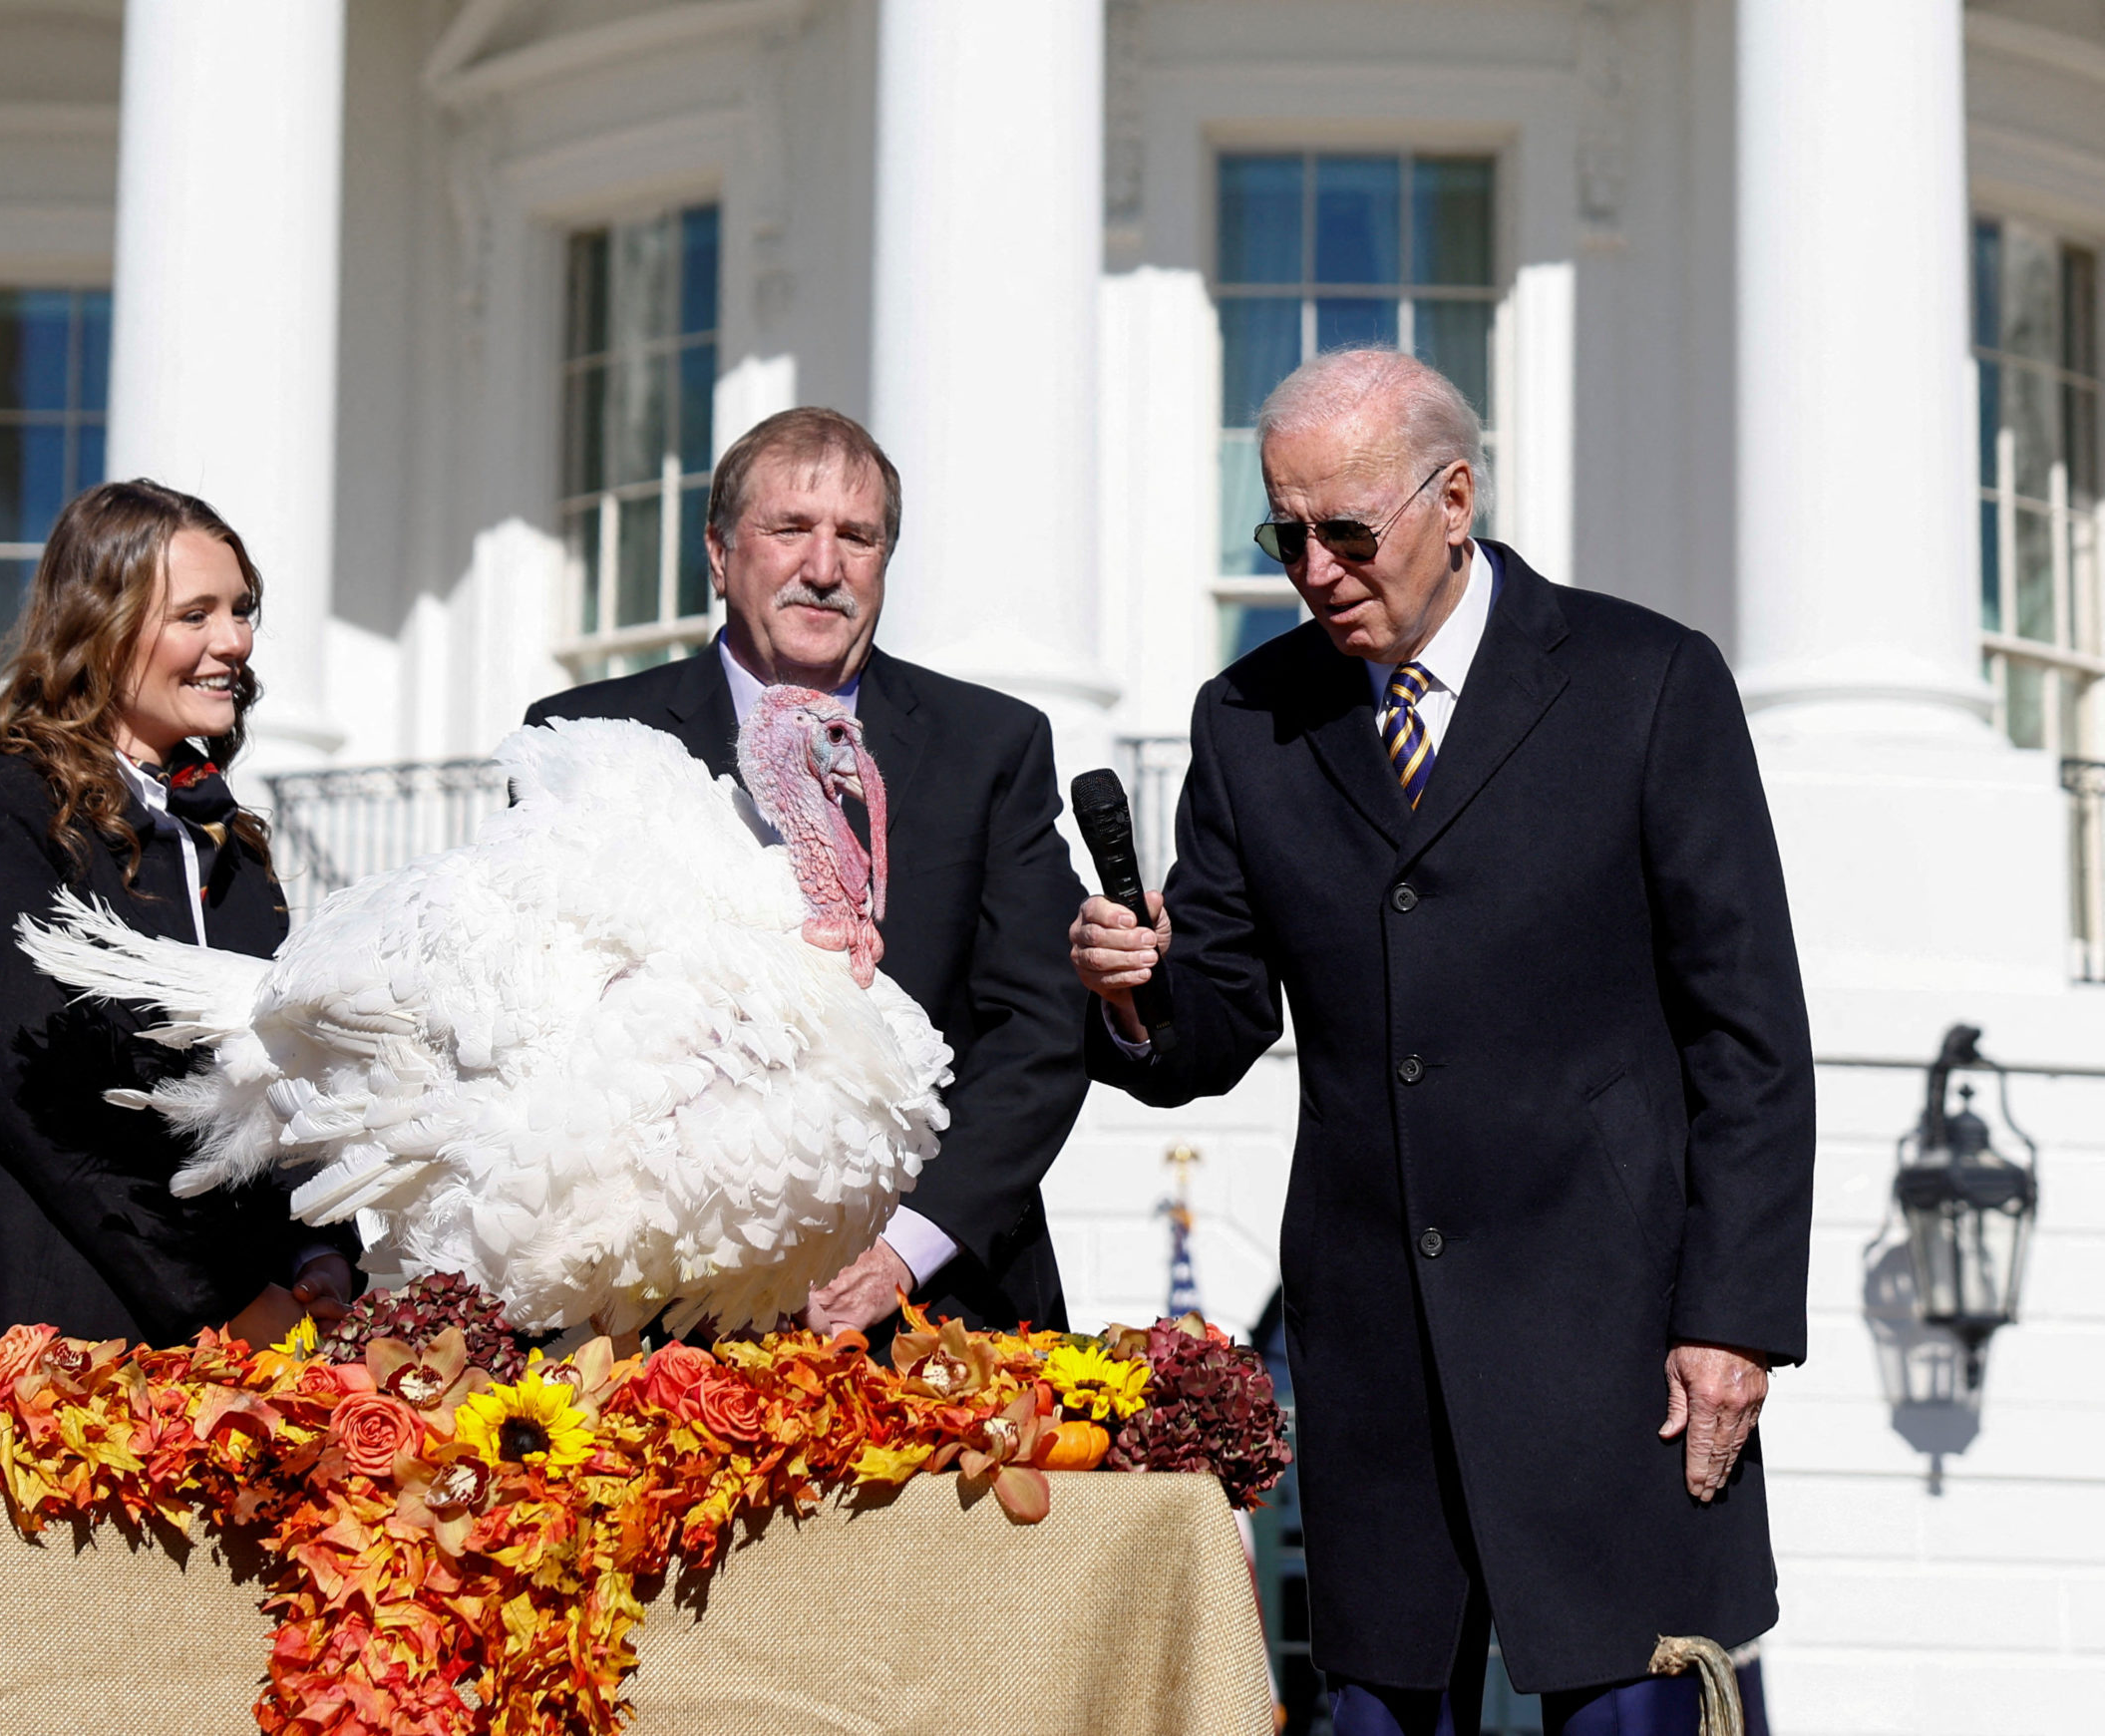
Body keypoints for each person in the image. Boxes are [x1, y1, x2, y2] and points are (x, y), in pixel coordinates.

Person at [1070, 349, 1815, 1734]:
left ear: (1455, 497)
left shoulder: (1649, 681)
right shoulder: (1248, 721)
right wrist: (1135, 987)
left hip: (1620, 1358)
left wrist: (1734, 1319)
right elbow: (1213, 1027)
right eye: (1281, 533)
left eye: (1345, 531)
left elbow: (1750, 1031)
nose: (1310, 566)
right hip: (1371, 1362)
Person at [526, 408, 1091, 1336]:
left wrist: (902, 1252)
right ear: (718, 554)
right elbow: (547, 1030)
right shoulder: (588, 741)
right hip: (661, 1324)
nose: (823, 569)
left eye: (857, 538)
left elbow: (1039, 1031)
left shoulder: (990, 746)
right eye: (789, 529)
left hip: (934, 1318)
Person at [0, 479, 355, 1349]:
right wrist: (224, 1304)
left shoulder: (232, 846)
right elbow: (52, 1102)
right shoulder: (0, 813)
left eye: (242, 608)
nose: (235, 641)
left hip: (249, 1358)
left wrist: (321, 1246)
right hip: (58, 1340)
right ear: (100, 631)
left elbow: (284, 1085)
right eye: (195, 615)